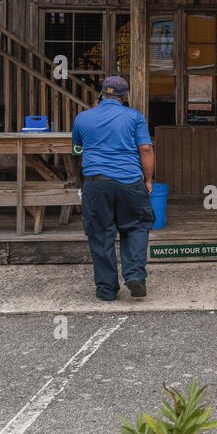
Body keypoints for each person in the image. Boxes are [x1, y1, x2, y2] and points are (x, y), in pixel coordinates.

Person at [71, 75, 154, 301]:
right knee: (136, 226)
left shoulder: (82, 117)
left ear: (101, 94)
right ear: (123, 96)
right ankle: (135, 275)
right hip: (130, 182)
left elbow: (77, 147)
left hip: (96, 183)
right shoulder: (134, 116)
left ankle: (107, 290)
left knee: (100, 234)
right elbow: (145, 149)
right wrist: (147, 180)